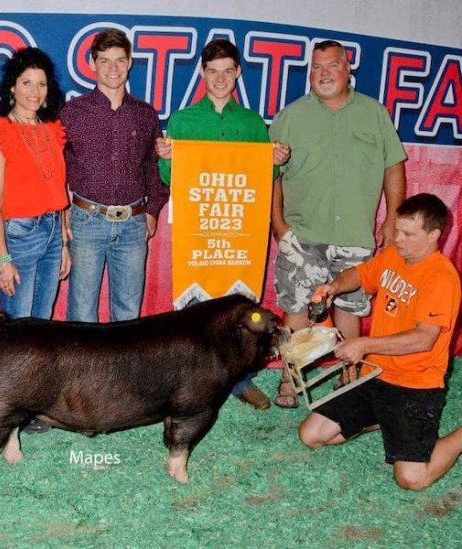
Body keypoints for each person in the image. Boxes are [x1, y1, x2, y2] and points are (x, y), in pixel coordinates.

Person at [269, 40, 407, 407]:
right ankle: (289, 378)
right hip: (303, 234)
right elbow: (272, 175)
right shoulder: (290, 116)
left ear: (348, 70)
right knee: (296, 306)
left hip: (354, 236)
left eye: (332, 65)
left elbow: (394, 165)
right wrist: (279, 225)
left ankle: (349, 376)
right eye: (316, 67)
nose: (324, 73)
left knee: (350, 308)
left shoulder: (374, 114)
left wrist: (393, 217)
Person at [156, 39, 290, 411]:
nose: (219, 78)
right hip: (199, 227)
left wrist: (277, 159)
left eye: (227, 71)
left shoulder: (251, 123)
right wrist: (165, 157)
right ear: (202, 73)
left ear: (237, 74)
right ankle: (187, 380)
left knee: (239, 309)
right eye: (212, 71)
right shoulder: (182, 121)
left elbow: (265, 176)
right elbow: (170, 178)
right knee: (194, 310)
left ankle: (240, 380)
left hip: (236, 229)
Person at [298, 193, 462, 491]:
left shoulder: (442, 278)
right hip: (374, 375)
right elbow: (360, 275)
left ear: (434, 235)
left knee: (412, 479)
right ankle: (383, 419)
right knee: (311, 436)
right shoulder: (393, 256)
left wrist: (364, 345)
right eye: (397, 229)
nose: (397, 238)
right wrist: (333, 286)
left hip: (415, 385)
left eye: (408, 234)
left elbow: (424, 339)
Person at [60, 28, 169, 323]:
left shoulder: (145, 114)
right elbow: (56, 167)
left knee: (128, 315)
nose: (113, 68)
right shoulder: (71, 112)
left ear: (130, 62)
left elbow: (153, 165)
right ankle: (80, 372)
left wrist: (153, 210)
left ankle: (123, 372)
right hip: (86, 221)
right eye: (105, 61)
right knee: (81, 314)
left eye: (120, 60)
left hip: (134, 223)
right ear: (92, 63)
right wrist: (61, 210)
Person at [0, 47, 70, 320]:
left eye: (41, 84)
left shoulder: (52, 129)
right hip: (19, 236)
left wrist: (64, 242)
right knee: (18, 329)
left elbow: (58, 188)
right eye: (26, 82)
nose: (34, 91)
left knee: (42, 327)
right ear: (12, 88)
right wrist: (2, 259)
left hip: (54, 231)